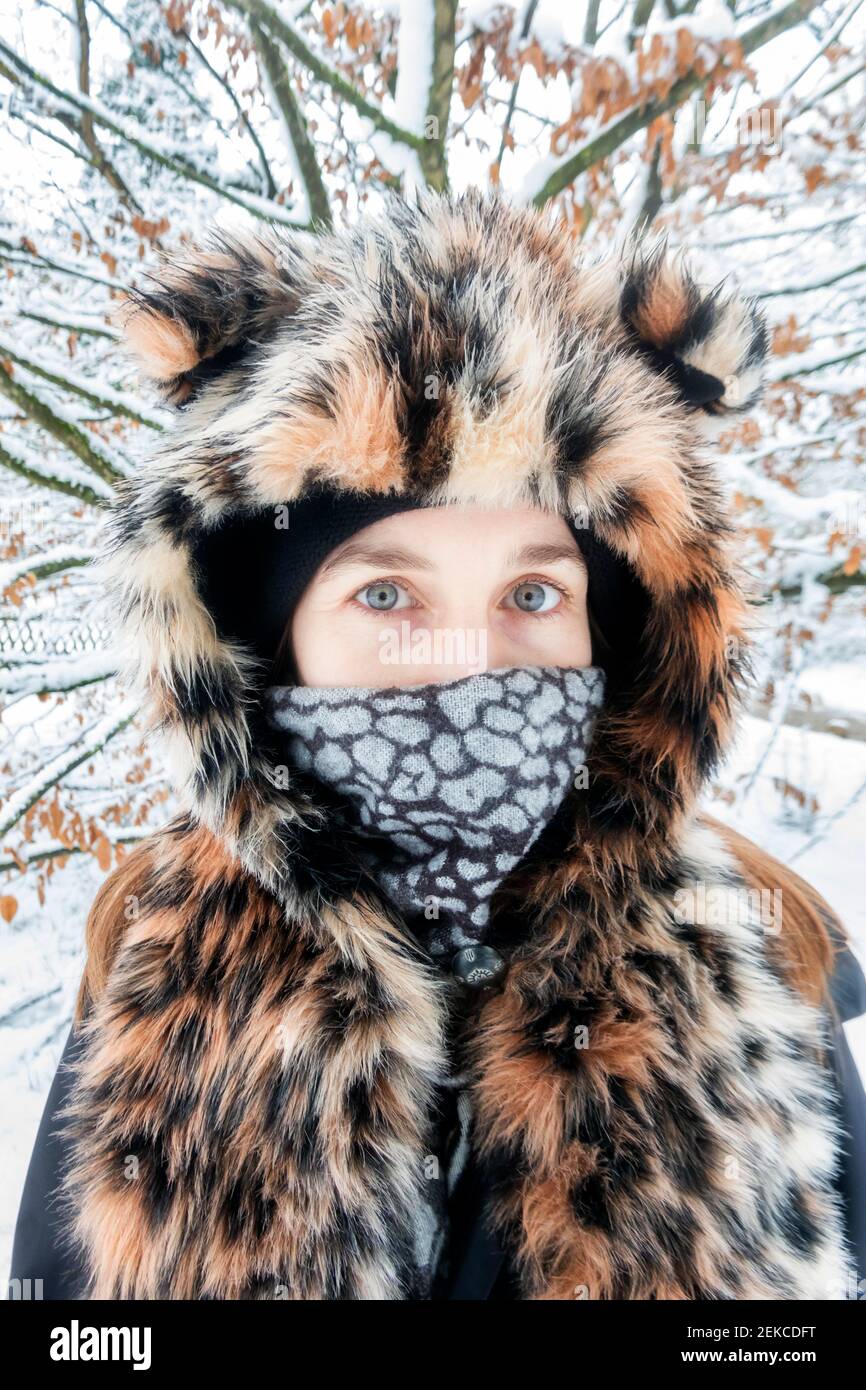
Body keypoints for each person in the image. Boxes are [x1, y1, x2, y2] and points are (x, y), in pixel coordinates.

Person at [10, 189, 866, 1301]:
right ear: (265, 649)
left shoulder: (758, 948)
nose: (467, 657)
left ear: (620, 637)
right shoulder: (151, 959)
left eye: (529, 590)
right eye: (381, 592)